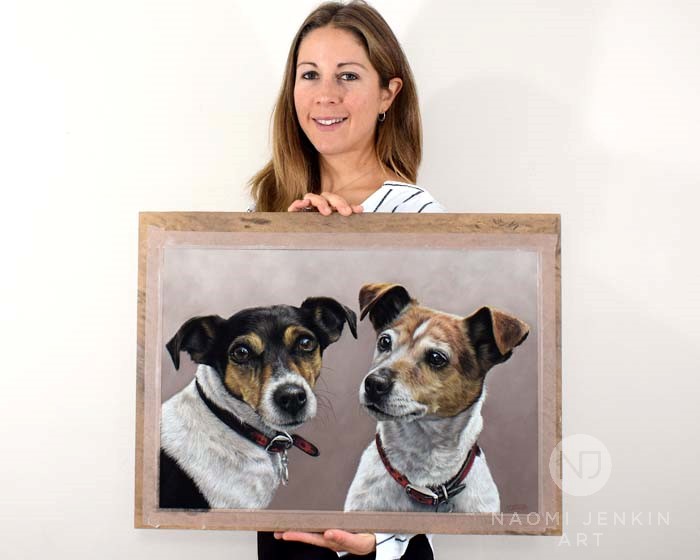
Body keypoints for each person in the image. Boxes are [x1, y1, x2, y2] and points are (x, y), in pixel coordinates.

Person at [249, 2, 444, 558]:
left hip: (375, 540)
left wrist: (384, 538)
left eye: (348, 76)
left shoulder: (422, 217)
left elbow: (436, 403)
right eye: (309, 74)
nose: (324, 94)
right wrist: (291, 246)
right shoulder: (267, 212)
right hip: (286, 526)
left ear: (389, 94)